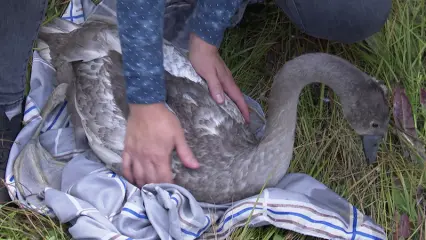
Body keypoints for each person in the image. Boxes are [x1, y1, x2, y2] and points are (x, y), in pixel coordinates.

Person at [0, 0, 391, 202]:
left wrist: (207, 34)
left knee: (358, 8)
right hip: (104, 47)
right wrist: (146, 98)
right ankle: (5, 99)